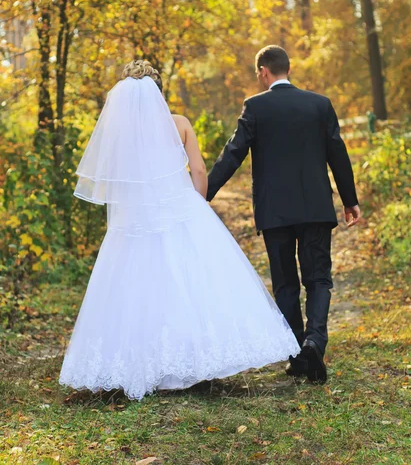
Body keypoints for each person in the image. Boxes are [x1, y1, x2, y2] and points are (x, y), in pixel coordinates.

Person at [59, 60, 300, 400]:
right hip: (179, 210)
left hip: (133, 221)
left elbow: (115, 182)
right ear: (158, 92)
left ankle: (140, 365)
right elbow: (199, 170)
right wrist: (197, 205)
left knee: (135, 290)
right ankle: (194, 364)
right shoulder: (179, 124)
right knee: (191, 284)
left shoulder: (118, 134)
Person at [207, 45, 361, 383]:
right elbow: (338, 152)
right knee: (318, 278)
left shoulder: (256, 107)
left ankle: (296, 353)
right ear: (286, 69)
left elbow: (233, 154)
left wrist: (203, 193)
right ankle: (314, 343)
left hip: (275, 211)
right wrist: (350, 200)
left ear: (264, 71)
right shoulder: (319, 105)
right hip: (316, 208)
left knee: (286, 283)